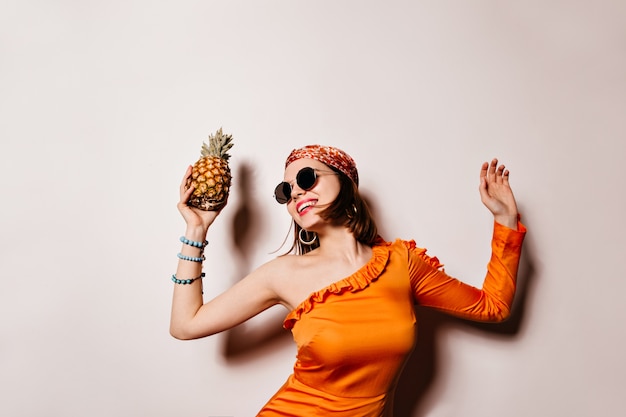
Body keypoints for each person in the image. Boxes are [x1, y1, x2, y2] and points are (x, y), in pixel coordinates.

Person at [170, 144, 526, 416]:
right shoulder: (283, 274)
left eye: (307, 178)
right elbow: (186, 325)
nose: (295, 193)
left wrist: (505, 220)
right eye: (285, 190)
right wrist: (196, 229)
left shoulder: (402, 264)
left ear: (345, 182)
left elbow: (493, 306)